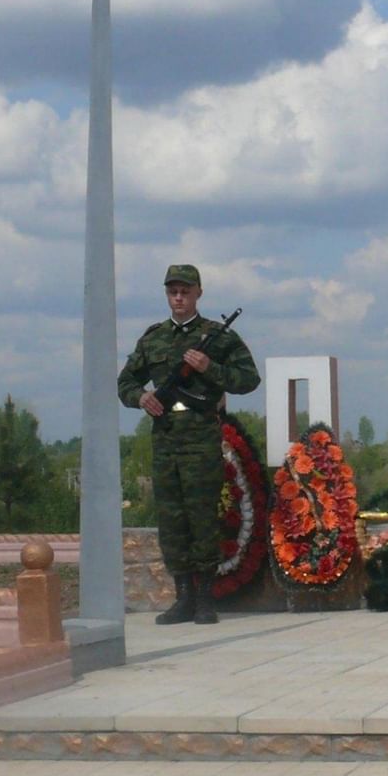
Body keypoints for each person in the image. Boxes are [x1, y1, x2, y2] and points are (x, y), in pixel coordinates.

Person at [117, 264, 261, 625]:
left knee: (201, 517)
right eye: (172, 292)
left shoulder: (217, 336)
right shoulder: (153, 339)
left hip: (200, 436)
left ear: (198, 293)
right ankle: (182, 597)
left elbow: (248, 379)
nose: (178, 298)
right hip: (165, 436)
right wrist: (141, 398)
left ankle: (204, 599)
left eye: (185, 291)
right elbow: (125, 382)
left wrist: (210, 367)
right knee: (172, 519)